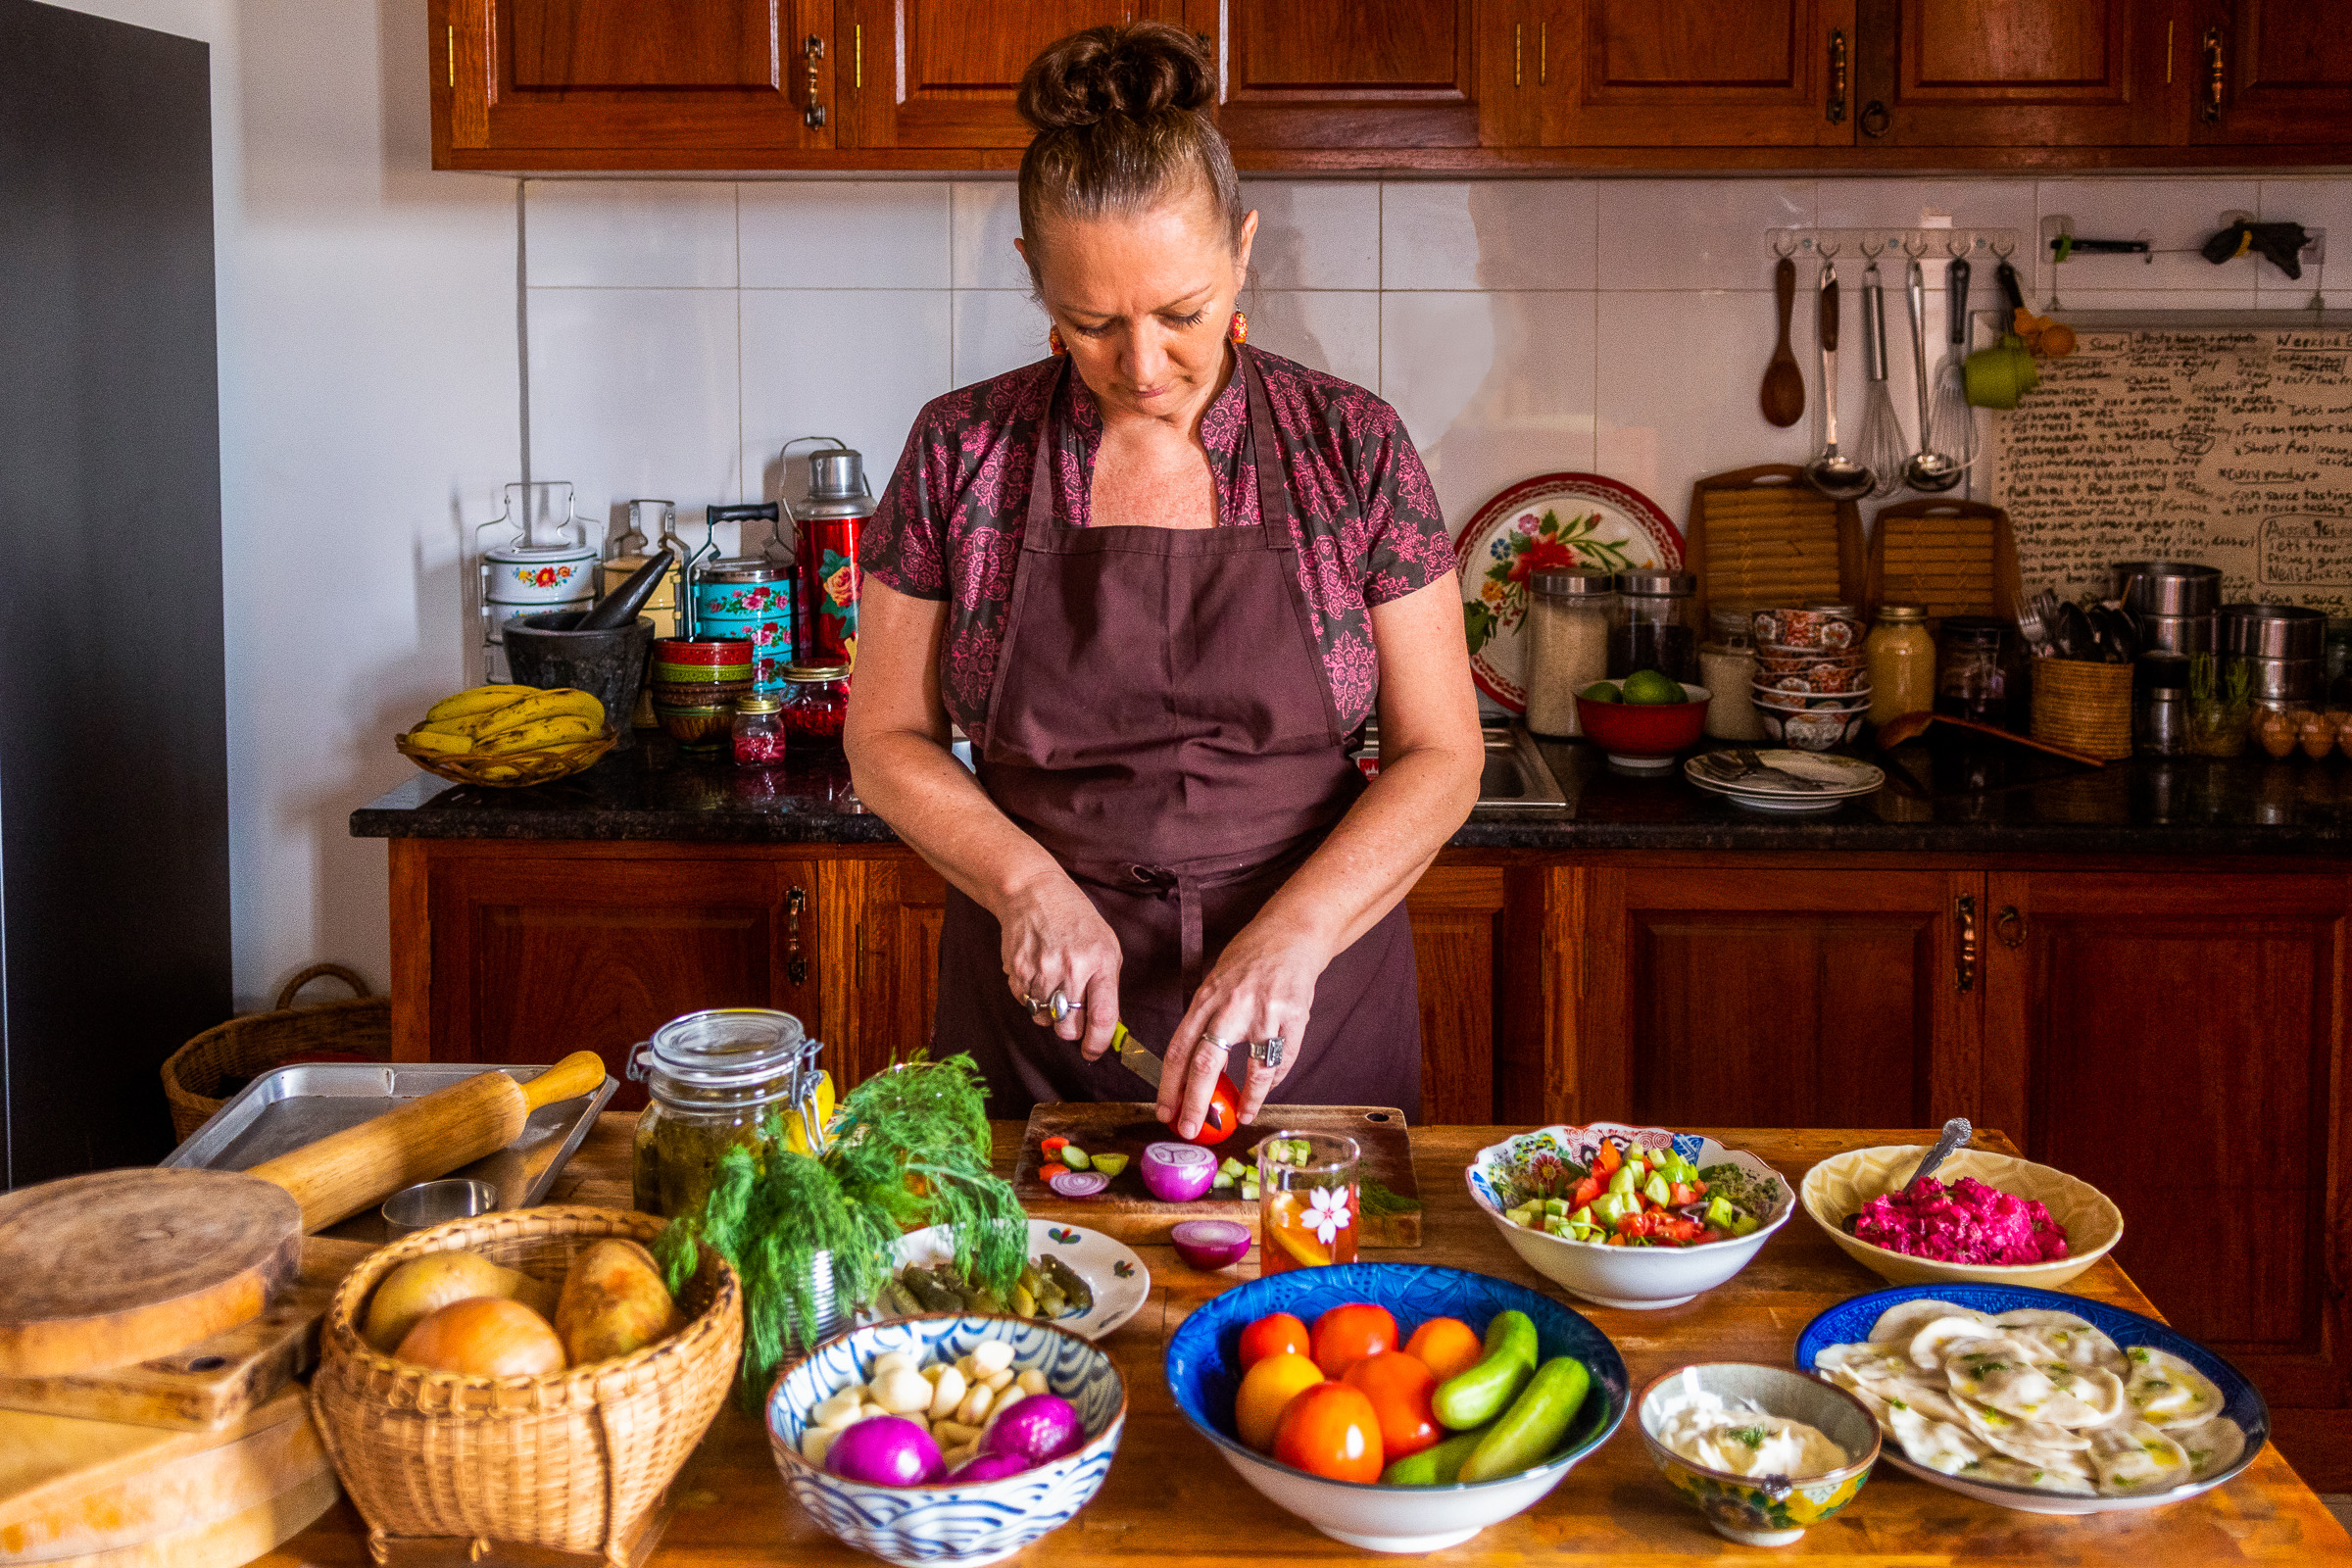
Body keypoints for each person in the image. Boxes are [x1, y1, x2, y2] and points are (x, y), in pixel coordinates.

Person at [844, 21, 1481, 1138]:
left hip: (1309, 1009)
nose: (1142, 366)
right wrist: (1025, 886)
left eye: (1181, 314)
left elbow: (1444, 755)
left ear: (1242, 250)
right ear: (1033, 279)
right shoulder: (962, 452)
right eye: (1091, 325)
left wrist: (1294, 936)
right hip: (1037, 1023)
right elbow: (883, 737)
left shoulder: (1355, 447)